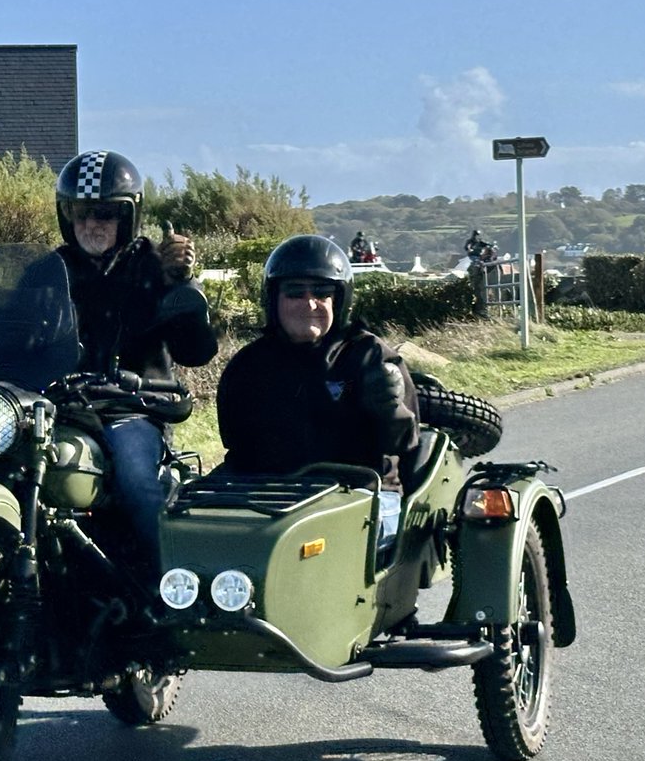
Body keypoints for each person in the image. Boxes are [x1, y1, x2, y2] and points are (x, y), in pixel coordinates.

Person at [54, 149, 218, 579]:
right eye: (82, 212)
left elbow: (196, 352)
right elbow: (13, 328)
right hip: (58, 408)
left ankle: (168, 585)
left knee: (135, 477)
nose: (92, 224)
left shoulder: (153, 265)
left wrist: (180, 285)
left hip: (131, 408)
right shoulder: (51, 270)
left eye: (106, 213)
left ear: (127, 217)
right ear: (66, 215)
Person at [216, 235, 420, 550]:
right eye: (295, 293)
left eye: (322, 293)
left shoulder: (370, 355)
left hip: (361, 496)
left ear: (339, 301)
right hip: (273, 499)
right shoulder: (249, 365)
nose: (309, 303)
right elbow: (237, 446)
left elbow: (404, 444)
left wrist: (391, 412)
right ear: (274, 300)